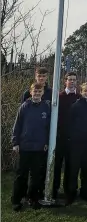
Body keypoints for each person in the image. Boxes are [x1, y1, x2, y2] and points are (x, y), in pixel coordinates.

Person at [11, 83, 50, 211]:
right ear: (31, 92)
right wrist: (15, 142)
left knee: (36, 175)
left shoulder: (46, 107)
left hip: (39, 147)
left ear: (42, 93)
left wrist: (46, 143)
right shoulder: (24, 107)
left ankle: (33, 198)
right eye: (35, 91)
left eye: (40, 92)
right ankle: (17, 199)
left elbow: (48, 127)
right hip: (24, 146)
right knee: (21, 174)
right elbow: (17, 126)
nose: (37, 93)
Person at [53, 72, 80, 200]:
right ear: (65, 81)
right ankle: (54, 189)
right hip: (60, 137)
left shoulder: (80, 98)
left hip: (74, 138)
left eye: (74, 80)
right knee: (57, 165)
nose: (72, 82)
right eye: (70, 79)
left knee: (71, 165)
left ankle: (69, 191)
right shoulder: (58, 97)